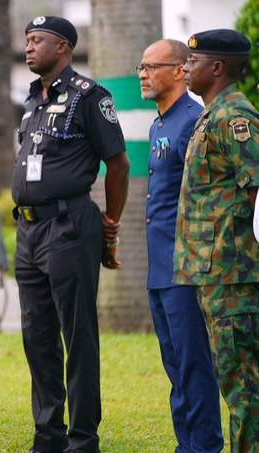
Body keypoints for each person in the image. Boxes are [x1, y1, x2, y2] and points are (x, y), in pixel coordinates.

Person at [12, 16, 130, 453]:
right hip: (28, 229)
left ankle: (83, 439)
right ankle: (48, 436)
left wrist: (111, 221)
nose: (28, 48)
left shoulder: (89, 97)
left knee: (77, 334)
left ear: (62, 46)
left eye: (36, 41)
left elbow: (117, 164)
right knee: (36, 335)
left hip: (68, 226)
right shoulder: (30, 100)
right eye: (26, 41)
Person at [175, 29, 259, 453]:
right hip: (215, 271)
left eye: (193, 61)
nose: (185, 67)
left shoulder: (235, 120)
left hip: (234, 274)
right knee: (235, 383)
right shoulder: (213, 114)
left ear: (218, 67)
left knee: (245, 387)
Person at [139, 39, 223, 453]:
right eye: (141, 67)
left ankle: (204, 445)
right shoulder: (160, 123)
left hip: (186, 263)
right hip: (160, 264)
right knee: (174, 362)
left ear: (179, 70)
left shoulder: (194, 120)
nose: (143, 73)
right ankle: (186, 443)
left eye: (152, 66)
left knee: (193, 362)